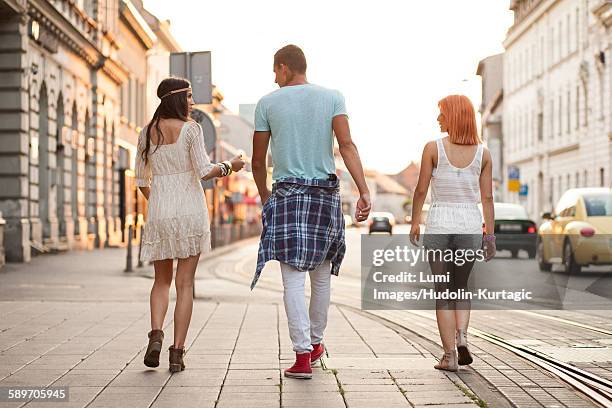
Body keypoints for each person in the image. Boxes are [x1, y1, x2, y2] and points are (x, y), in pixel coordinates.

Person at [251, 45, 371, 379]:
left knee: (291, 278)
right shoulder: (333, 97)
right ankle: (316, 342)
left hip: (287, 194)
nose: (274, 78)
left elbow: (258, 161)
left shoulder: (268, 103)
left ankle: (302, 354)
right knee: (321, 276)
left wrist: (266, 198)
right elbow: (346, 145)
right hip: (324, 194)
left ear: (284, 67)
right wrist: (363, 190)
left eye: (275, 71)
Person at [136, 77, 245, 373]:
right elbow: (204, 171)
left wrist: (159, 202)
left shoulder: (145, 134)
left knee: (161, 281)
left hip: (159, 212)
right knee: (184, 284)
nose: (193, 102)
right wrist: (229, 167)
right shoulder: (191, 130)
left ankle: (156, 334)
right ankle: (176, 353)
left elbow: (140, 181)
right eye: (189, 96)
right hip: (190, 212)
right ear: (177, 98)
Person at [409, 94, 495, 372]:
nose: (438, 119)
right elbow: (488, 199)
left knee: (443, 290)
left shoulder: (433, 148)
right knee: (461, 287)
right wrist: (489, 236)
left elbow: (421, 189)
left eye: (442, 113)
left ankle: (449, 356)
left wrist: (414, 222)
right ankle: (463, 337)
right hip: (470, 223)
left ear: (454, 116)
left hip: (440, 224)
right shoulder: (484, 154)